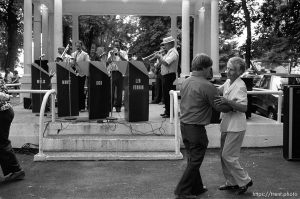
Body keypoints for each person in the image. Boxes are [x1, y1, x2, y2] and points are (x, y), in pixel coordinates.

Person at [174, 53, 231, 199]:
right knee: (195, 161)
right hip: (196, 128)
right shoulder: (207, 85)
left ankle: (197, 187)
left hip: (185, 126)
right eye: (209, 68)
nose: (210, 71)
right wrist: (232, 105)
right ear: (205, 68)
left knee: (192, 159)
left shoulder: (186, 82)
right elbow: (220, 107)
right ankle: (182, 191)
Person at [214, 57, 253, 194]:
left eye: (231, 69)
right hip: (227, 124)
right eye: (228, 68)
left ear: (239, 72)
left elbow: (243, 107)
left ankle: (245, 180)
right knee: (223, 155)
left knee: (228, 156)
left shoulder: (240, 85)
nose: (228, 71)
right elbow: (219, 90)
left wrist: (227, 101)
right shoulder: (229, 81)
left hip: (236, 126)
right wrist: (205, 86)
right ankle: (231, 182)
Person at [0, 78, 25, 182]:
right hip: (4, 112)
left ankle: (17, 171)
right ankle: (16, 170)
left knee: (2, 142)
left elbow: (5, 96)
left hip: (3, 113)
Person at [154, 36, 179, 118]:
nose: (164, 46)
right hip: (166, 76)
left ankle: (170, 113)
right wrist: (159, 58)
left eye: (165, 44)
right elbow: (159, 64)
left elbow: (166, 63)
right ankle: (167, 111)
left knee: (169, 95)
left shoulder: (173, 53)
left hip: (170, 76)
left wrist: (159, 57)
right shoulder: (168, 52)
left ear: (171, 44)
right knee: (166, 95)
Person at [107, 39, 128, 112]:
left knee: (119, 91)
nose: (116, 46)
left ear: (120, 45)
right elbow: (108, 61)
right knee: (111, 91)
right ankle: (110, 107)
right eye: (115, 45)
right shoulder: (110, 52)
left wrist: (120, 55)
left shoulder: (124, 52)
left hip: (120, 72)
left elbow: (126, 61)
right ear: (113, 46)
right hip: (112, 72)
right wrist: (112, 55)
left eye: (118, 45)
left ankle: (118, 107)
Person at [71, 40, 90, 111]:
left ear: (81, 46)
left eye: (79, 46)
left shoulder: (85, 54)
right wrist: (73, 62)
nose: (78, 47)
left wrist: (80, 64)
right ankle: (76, 106)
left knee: (81, 90)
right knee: (75, 90)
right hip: (75, 74)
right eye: (77, 46)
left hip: (82, 74)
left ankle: (82, 106)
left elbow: (88, 63)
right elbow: (71, 64)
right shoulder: (73, 54)